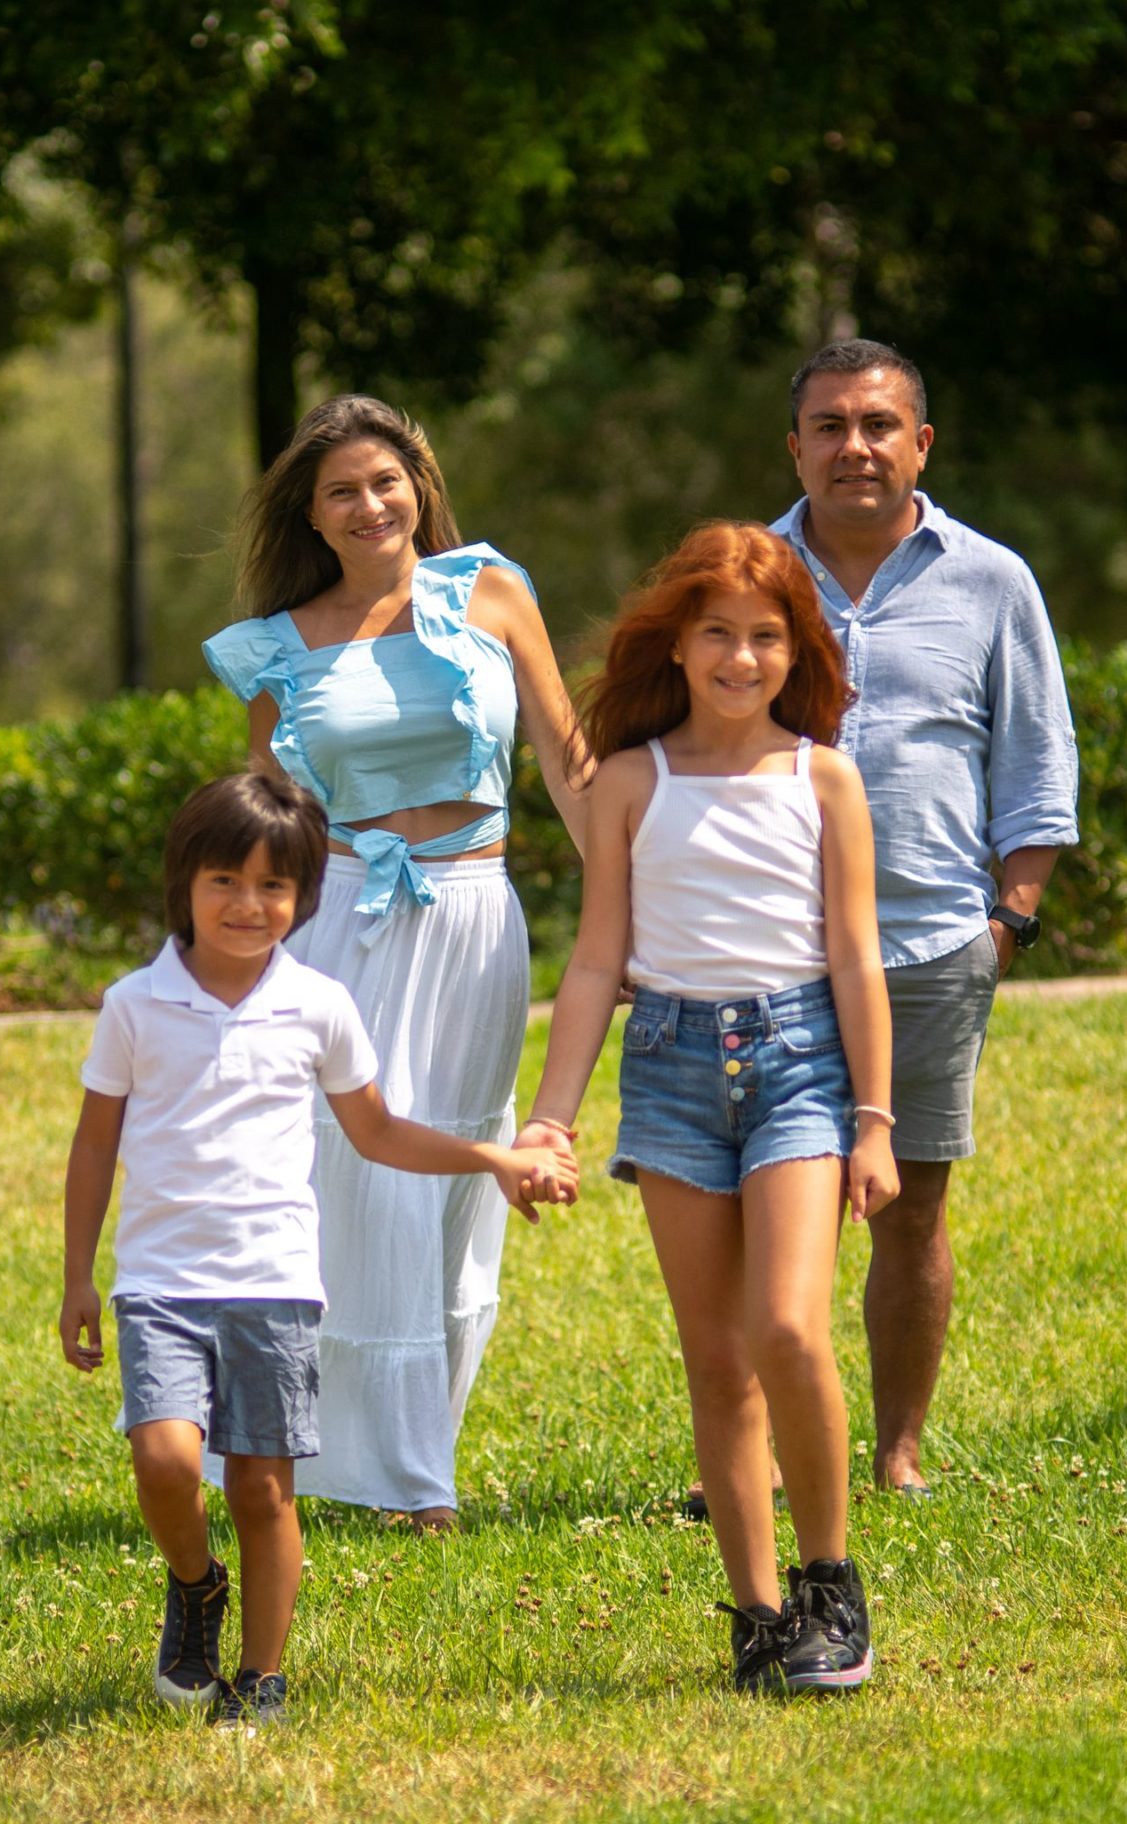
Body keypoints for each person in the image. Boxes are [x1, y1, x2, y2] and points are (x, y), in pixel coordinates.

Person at [58, 773, 575, 1726]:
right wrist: (78, 1277)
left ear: (305, 898)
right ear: (185, 884)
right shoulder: (134, 1005)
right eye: (225, 881)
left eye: (274, 887)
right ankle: (196, 1583)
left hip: (276, 1286)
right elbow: (95, 1145)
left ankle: (260, 1681)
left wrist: (494, 1157)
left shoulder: (319, 1005)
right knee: (168, 1462)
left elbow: (378, 1133)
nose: (248, 906)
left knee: (262, 1487)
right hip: (161, 1285)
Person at [514, 521, 901, 1693]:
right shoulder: (631, 783)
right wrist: (550, 1116)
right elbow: (594, 964)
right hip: (673, 1065)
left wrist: (875, 1119)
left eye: (767, 638)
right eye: (719, 635)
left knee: (789, 1329)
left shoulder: (823, 777)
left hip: (799, 1064)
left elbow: (855, 958)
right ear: (676, 644)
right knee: (717, 1359)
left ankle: (833, 1585)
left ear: (799, 651)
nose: (742, 659)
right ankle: (758, 1614)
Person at [201, 396, 591, 1528]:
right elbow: (266, 828)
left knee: (462, 1178)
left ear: (419, 483)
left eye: (386, 481)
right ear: (311, 517)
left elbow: (569, 768)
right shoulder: (277, 646)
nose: (370, 505)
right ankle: (402, 1480)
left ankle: (416, 1442)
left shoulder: (492, 592)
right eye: (341, 492)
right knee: (358, 1181)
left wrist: (634, 904)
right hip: (343, 930)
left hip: (477, 920)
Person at [769, 338, 1079, 1496]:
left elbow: (1038, 765)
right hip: (770, 951)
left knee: (910, 1204)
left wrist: (1009, 922)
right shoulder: (745, 578)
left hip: (933, 951)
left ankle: (894, 1453)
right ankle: (755, 1456)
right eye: (831, 426)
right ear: (793, 447)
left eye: (879, 425)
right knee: (770, 1212)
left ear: (921, 443)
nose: (856, 447)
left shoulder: (993, 582)